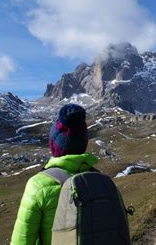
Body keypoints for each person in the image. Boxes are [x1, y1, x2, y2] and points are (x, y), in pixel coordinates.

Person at [11, 104, 97, 245]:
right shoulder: (99, 180)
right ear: (84, 144)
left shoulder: (39, 185)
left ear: (53, 144)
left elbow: (22, 240)